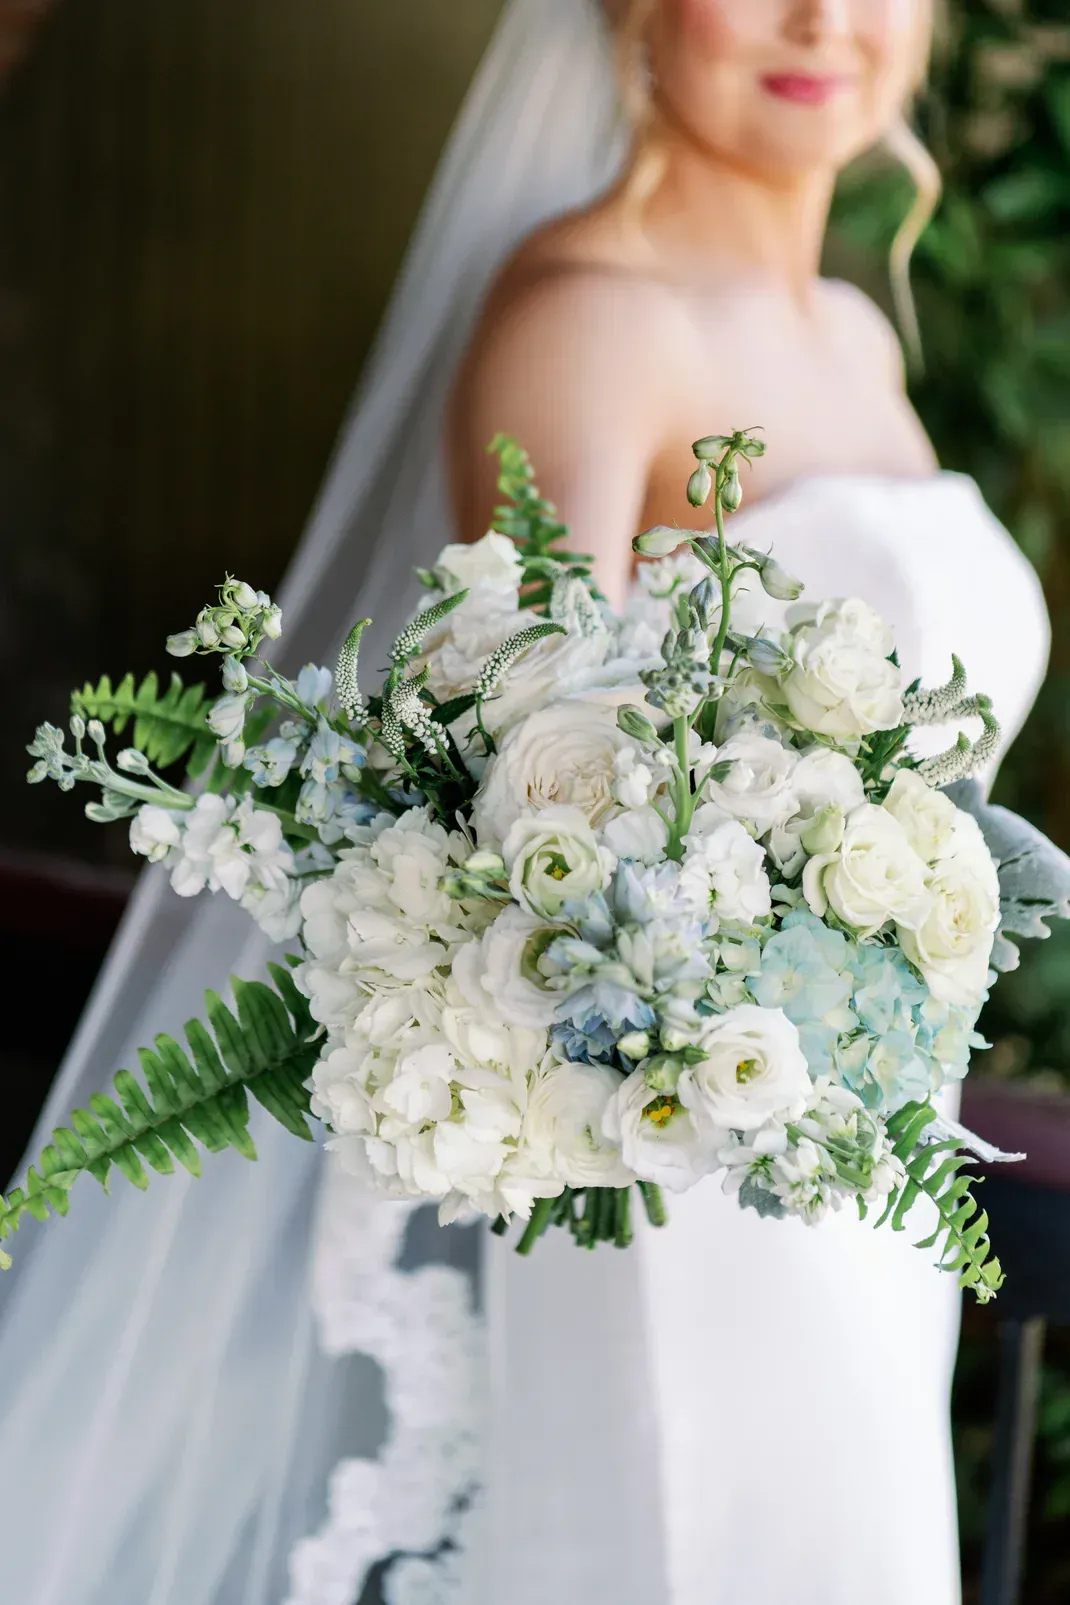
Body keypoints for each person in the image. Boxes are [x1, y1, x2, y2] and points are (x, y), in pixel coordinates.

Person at [0, 2, 1049, 1603]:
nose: (823, 21)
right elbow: (497, 786)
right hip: (677, 1181)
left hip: (862, 1181)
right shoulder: (586, 321)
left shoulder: (852, 333)